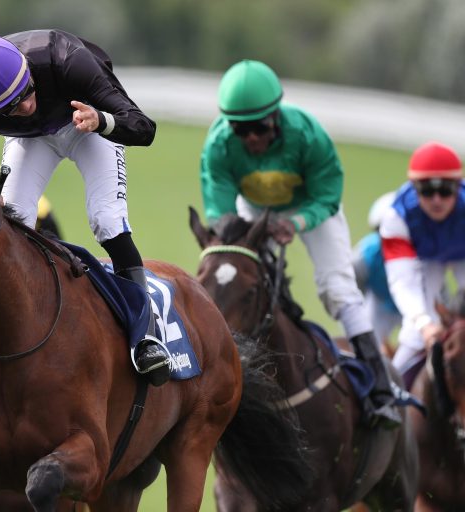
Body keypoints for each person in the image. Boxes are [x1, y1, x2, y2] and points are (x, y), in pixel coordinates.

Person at [0, 30, 170, 386]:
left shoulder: (67, 60)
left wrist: (102, 120)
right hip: (29, 140)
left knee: (106, 218)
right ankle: (17, 328)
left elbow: (144, 128)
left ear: (28, 70)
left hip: (86, 124)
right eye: (9, 107)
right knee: (10, 221)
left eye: (26, 92)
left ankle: (146, 334)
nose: (24, 106)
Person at [199, 59, 401, 428]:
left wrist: (297, 222)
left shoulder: (308, 135)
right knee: (237, 276)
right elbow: (221, 211)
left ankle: (381, 389)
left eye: (258, 127)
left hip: (310, 207)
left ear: (275, 115)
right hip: (253, 208)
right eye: (240, 129)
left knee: (337, 289)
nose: (251, 138)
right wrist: (238, 236)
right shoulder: (219, 145)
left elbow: (328, 194)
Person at [379, 141, 465, 389]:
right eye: (427, 191)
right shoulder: (397, 216)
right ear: (414, 188)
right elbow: (403, 281)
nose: (437, 200)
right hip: (425, 260)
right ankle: (390, 395)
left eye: (446, 190)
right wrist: (424, 323)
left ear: (458, 187)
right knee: (416, 331)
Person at [352, 191, 402, 353]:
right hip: (380, 303)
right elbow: (353, 298)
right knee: (364, 344)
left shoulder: (424, 253)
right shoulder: (363, 257)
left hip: (415, 305)